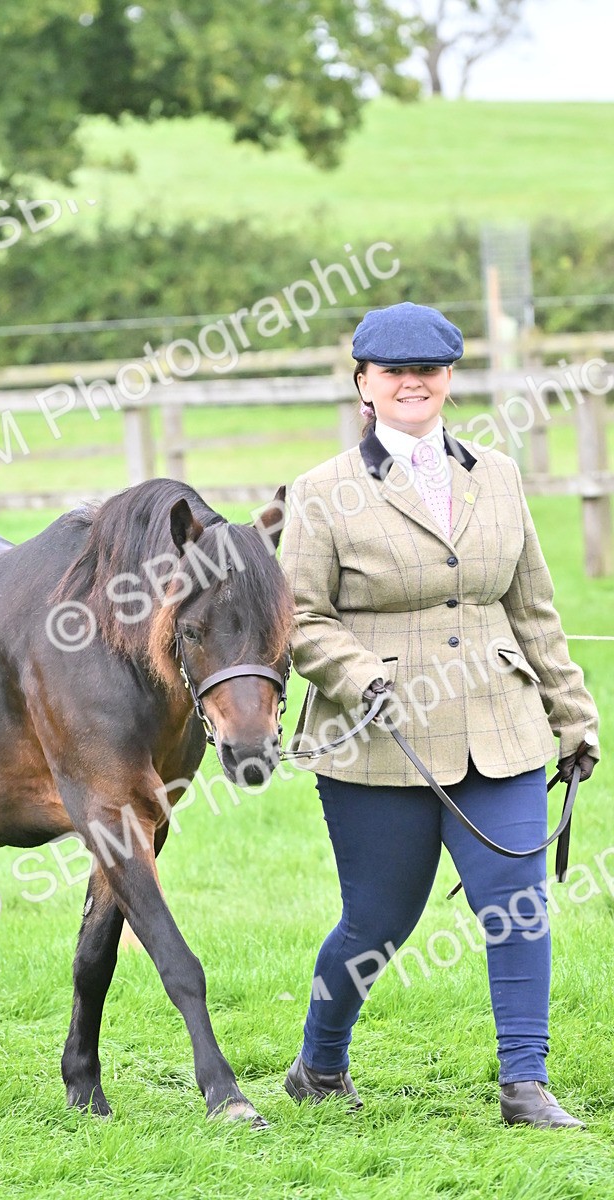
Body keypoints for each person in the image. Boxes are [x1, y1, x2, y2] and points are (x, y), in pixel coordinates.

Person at [278, 301, 600, 1129]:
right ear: (365, 385)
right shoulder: (320, 494)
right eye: (394, 371)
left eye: (428, 370)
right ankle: (319, 1063)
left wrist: (575, 714)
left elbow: (533, 605)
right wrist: (358, 677)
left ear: (449, 379)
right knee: (377, 920)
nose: (413, 383)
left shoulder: (496, 474)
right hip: (377, 738)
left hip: (501, 721)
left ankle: (525, 1083)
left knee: (518, 902)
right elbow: (303, 620)